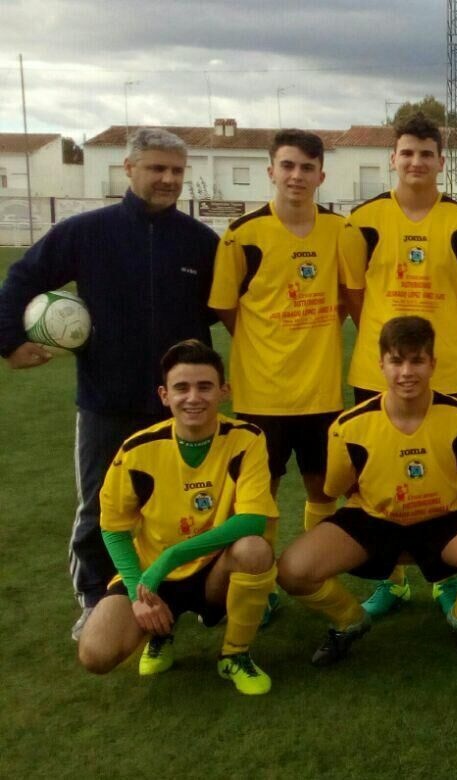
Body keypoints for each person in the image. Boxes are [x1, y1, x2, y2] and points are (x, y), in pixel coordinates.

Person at [0, 127, 219, 640]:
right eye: (157, 169)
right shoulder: (86, 233)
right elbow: (20, 279)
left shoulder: (199, 242)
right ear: (129, 169)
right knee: (101, 506)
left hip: (182, 407)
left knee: (188, 503)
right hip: (107, 401)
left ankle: (194, 595)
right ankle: (96, 600)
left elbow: (226, 308)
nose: (168, 179)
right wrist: (9, 342)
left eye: (176, 172)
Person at [275, 316, 457, 664]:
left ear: (433, 363)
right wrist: (385, 505)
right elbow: (338, 489)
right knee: (291, 570)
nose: (407, 372)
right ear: (381, 364)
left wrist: (431, 502)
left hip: (443, 518)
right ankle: (350, 621)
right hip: (372, 519)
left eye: (417, 360)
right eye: (396, 360)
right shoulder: (349, 426)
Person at [339, 114, 457, 616]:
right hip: (375, 373)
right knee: (374, 482)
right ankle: (392, 577)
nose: (416, 162)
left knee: (445, 480)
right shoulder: (363, 220)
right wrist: (391, 350)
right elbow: (355, 294)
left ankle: (443, 575)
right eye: (407, 153)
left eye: (426, 153)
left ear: (441, 162)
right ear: (393, 159)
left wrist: (437, 339)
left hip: (443, 374)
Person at [76, 340, 278, 695]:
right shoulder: (137, 450)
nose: (193, 398)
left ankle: (234, 654)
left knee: (254, 549)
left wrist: (171, 557)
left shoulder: (247, 439)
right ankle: (160, 631)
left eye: (204, 386)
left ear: (224, 391)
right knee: (95, 654)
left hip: (211, 571)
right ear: (164, 395)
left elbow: (252, 521)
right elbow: (113, 528)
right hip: (150, 575)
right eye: (181, 388)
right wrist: (139, 591)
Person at [209, 129, 345, 536]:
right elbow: (224, 305)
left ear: (321, 175)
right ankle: (261, 581)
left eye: (307, 167)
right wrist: (263, 341)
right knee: (259, 493)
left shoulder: (341, 230)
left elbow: (350, 298)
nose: (296, 175)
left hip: (321, 390)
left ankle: (315, 576)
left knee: (323, 490)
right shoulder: (242, 233)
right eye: (287, 165)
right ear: (271, 171)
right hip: (262, 392)